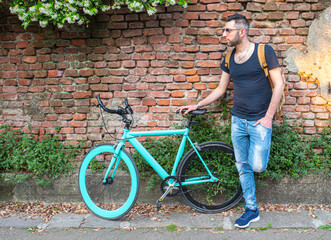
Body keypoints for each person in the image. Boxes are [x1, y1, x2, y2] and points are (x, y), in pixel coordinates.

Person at [177, 13, 284, 228]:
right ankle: (251, 209)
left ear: (241, 32)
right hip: (238, 121)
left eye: (228, 30)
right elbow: (220, 89)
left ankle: (251, 202)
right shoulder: (228, 58)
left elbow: (279, 85)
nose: (223, 34)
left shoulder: (265, 52)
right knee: (242, 166)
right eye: (223, 30)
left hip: (260, 122)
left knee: (257, 165)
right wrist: (197, 105)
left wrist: (268, 118)